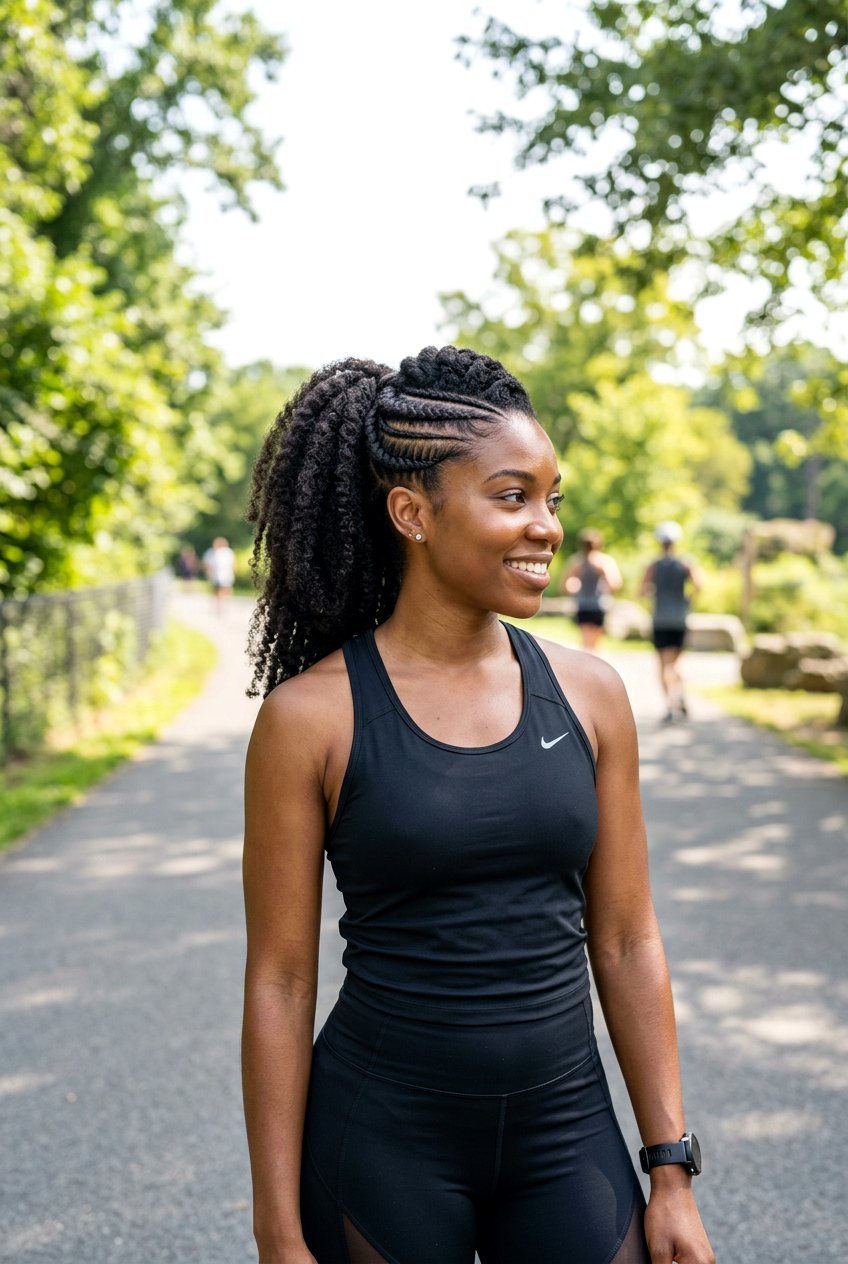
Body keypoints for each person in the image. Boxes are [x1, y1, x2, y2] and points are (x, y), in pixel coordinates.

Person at [241, 347, 714, 1264]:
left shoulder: (591, 697)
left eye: (552, 498)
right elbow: (281, 981)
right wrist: (277, 1230)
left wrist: (669, 1171)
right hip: (382, 1143)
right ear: (412, 514)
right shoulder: (310, 718)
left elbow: (626, 938)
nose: (545, 527)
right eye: (512, 497)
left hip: (566, 1136)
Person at [640, 523, 702, 724]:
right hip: (679, 618)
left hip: (660, 619)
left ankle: (669, 704)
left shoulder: (654, 565)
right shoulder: (685, 563)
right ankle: (680, 695)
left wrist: (653, 593)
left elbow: (642, 589)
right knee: (677, 661)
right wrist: (688, 599)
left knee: (663, 664)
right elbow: (699, 585)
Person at [562, 528, 623, 653]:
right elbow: (615, 584)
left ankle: (589, 662)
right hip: (597, 604)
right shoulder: (604, 561)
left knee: (587, 641)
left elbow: (565, 585)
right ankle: (592, 663)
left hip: (586, 604)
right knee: (594, 642)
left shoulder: (577, 561)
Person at [202, 535, 236, 607]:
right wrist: (208, 572)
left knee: (226, 588)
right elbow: (206, 564)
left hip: (226, 574)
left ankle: (225, 602)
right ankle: (219, 603)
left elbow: (233, 564)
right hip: (215, 575)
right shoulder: (210, 552)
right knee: (217, 589)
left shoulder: (228, 552)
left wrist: (233, 572)